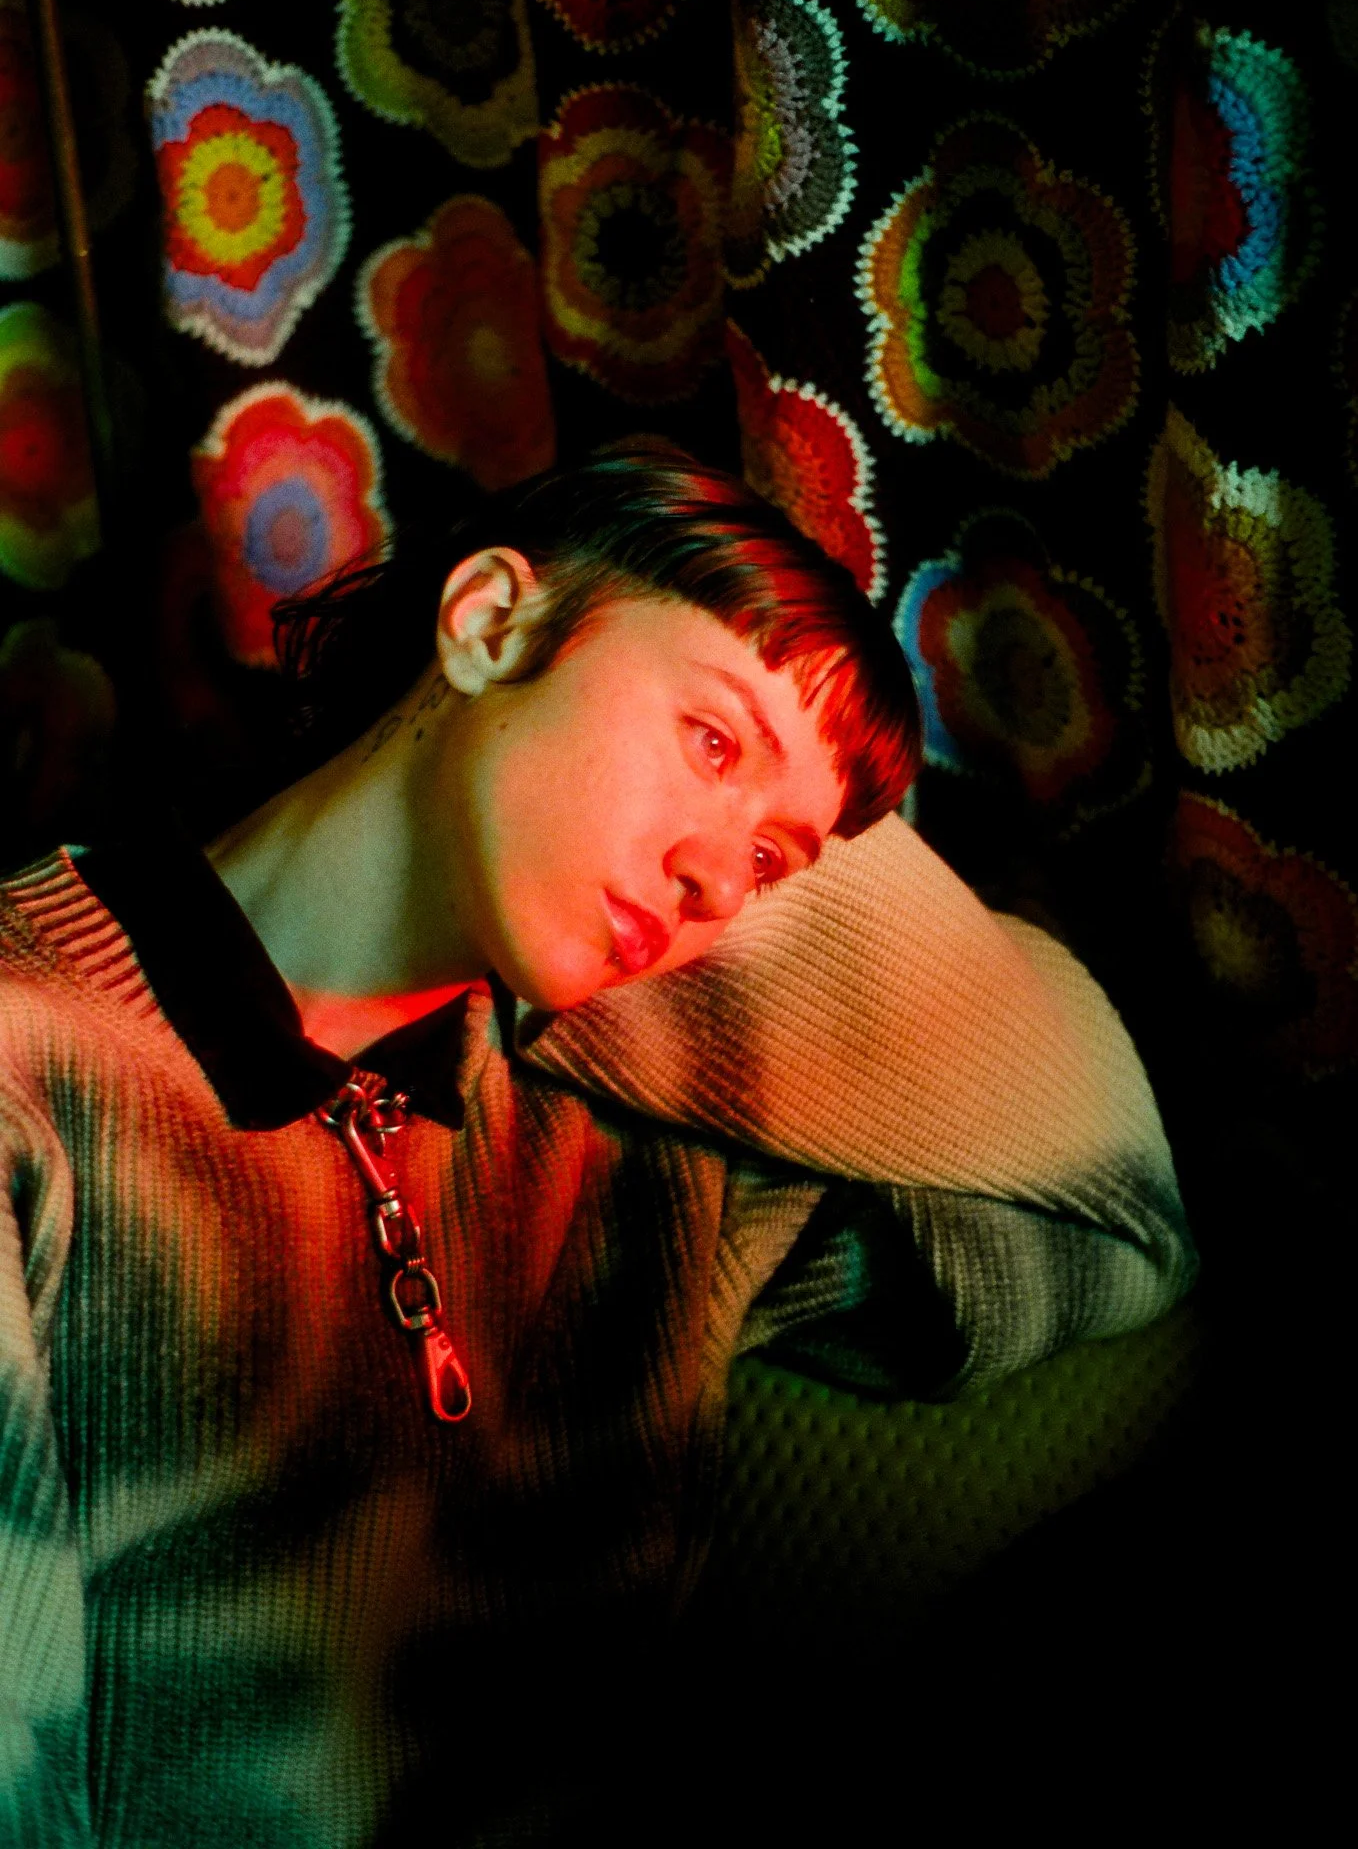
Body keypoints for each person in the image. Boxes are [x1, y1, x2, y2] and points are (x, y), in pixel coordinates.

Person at [0, 453, 1196, 1846]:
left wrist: (622, 982)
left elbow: (1109, 1216)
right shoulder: (31, 1064)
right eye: (711, 741)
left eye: (772, 863)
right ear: (490, 622)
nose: (717, 883)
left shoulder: (636, 1154)